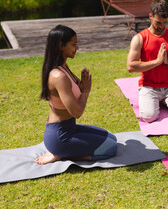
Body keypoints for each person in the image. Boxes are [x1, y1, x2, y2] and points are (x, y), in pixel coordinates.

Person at [35, 25, 117, 165]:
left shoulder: (63, 67)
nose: (77, 48)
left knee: (112, 138)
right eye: (74, 44)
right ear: (61, 45)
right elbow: (77, 112)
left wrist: (81, 87)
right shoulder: (58, 76)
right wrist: (85, 92)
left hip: (70, 128)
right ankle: (60, 155)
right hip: (60, 136)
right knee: (111, 148)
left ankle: (61, 152)